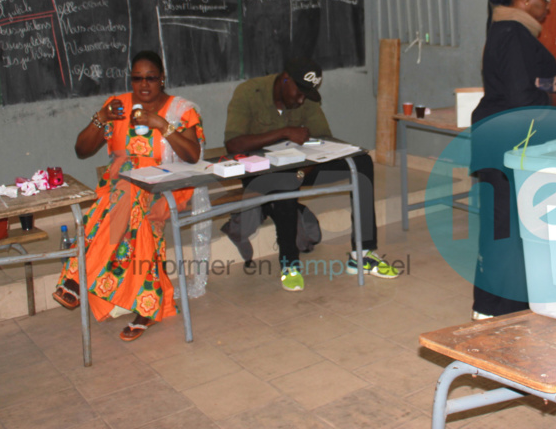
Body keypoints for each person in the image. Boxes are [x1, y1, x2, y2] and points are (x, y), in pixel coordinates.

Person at [53, 50, 204, 342]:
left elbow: (193, 156)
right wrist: (100, 118)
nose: (144, 85)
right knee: (134, 208)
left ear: (162, 79)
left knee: (129, 199)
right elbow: (81, 150)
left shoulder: (180, 110)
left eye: (151, 78)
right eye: (137, 79)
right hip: (122, 193)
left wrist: (162, 124)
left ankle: (77, 277)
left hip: (168, 187)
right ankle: (148, 306)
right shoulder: (118, 107)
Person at [224, 56, 399, 291]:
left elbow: (324, 140)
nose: (302, 99)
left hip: (302, 167)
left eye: (307, 94)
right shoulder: (249, 93)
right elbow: (233, 145)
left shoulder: (305, 98)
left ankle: (363, 254)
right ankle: (290, 265)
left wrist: (304, 167)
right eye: (299, 92)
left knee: (362, 163)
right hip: (259, 171)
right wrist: (284, 132)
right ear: (285, 79)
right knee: (285, 179)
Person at [470, 0, 556, 320]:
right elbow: (522, 97)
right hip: (507, 141)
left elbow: (530, 82)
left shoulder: (510, 32)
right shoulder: (512, 33)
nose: (548, 7)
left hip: (508, 139)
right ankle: (491, 309)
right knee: (504, 228)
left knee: (511, 225)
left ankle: (506, 304)